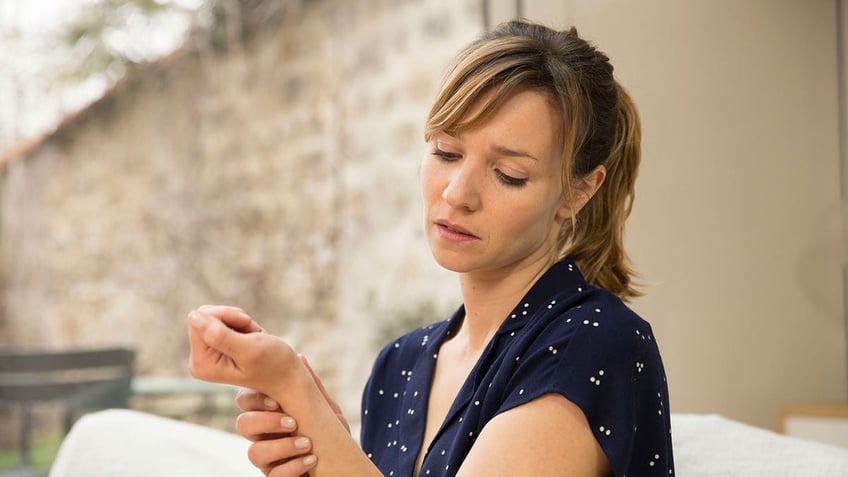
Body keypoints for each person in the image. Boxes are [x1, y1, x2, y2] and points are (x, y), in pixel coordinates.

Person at [187, 19, 674, 477]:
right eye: (446, 151)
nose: (457, 193)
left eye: (509, 175)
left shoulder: (594, 344)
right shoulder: (399, 363)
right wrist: (322, 449)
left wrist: (295, 387)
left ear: (577, 191)